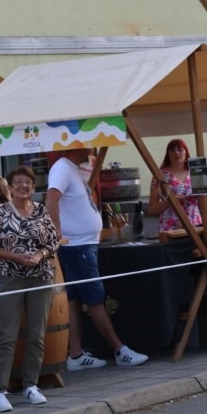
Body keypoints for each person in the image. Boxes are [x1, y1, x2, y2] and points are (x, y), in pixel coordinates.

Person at [45, 148, 148, 370]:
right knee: (95, 298)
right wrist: (56, 230)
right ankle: (119, 349)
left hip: (81, 244)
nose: (91, 149)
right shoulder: (62, 168)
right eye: (86, 145)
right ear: (73, 147)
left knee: (74, 299)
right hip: (76, 246)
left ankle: (75, 353)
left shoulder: (72, 170)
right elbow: (51, 197)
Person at [0, 166, 60, 413]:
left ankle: (31, 385)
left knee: (36, 334)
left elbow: (52, 241)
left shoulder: (40, 210)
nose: (23, 186)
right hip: (10, 277)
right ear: (10, 186)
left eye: (28, 182)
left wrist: (40, 254)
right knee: (6, 335)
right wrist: (17, 258)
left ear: (33, 186)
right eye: (18, 182)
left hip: (40, 276)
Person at [147, 138, 203, 233]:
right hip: (170, 227)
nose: (176, 153)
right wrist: (171, 201)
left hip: (194, 224)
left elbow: (203, 203)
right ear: (168, 155)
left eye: (180, 149)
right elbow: (151, 209)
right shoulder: (159, 175)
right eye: (172, 150)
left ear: (186, 153)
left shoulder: (196, 172)